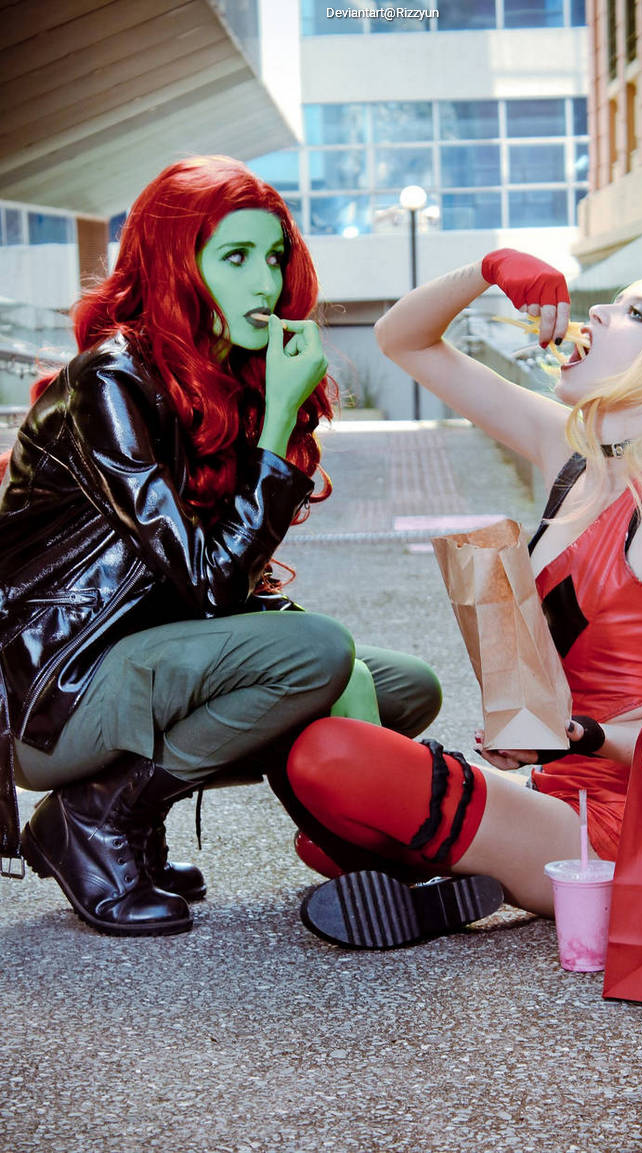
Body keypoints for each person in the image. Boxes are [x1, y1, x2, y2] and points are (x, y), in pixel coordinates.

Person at [0, 155, 440, 936]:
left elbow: (219, 596)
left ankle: (124, 818)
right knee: (317, 653)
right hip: (54, 692)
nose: (264, 284)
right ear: (177, 267)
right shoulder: (111, 380)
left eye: (273, 257)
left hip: (135, 665)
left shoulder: (214, 378)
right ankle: (96, 817)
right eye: (233, 259)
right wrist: (275, 432)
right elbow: (206, 587)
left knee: (400, 687)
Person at [282, 248, 642, 950]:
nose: (597, 311)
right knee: (320, 832)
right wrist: (487, 268)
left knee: (332, 756)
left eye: (634, 313)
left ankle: (502, 881)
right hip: (552, 793)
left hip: (622, 822)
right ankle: (487, 884)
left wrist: (584, 735)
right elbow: (403, 340)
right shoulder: (567, 454)